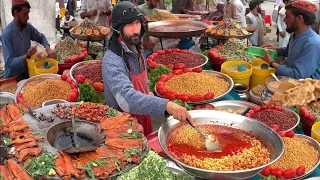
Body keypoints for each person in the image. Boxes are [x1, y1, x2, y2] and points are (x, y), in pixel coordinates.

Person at [102, 2, 194, 135]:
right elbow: (126, 100)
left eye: (137, 22)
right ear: (117, 29)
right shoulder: (112, 60)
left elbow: (142, 80)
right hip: (123, 130)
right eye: (128, 24)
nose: (135, 30)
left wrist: (147, 91)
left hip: (143, 118)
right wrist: (166, 105)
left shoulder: (137, 48)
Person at [261, 0, 320, 79]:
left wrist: (271, 62)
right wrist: (275, 49)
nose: (284, 20)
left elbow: (298, 75)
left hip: (303, 88)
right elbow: (289, 51)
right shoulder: (295, 34)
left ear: (299, 18)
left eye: (287, 16)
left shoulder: (312, 44)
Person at [0, 0, 54, 79]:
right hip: (13, 77)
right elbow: (9, 62)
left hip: (27, 72)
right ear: (16, 13)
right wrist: (27, 55)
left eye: (28, 13)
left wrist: (48, 50)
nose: (28, 17)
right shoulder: (7, 34)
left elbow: (41, 37)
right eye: (25, 14)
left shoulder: (27, 27)